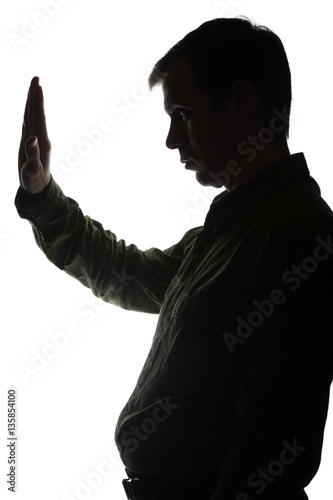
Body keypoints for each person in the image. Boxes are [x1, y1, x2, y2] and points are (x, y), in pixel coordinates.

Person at [15, 16, 333, 500]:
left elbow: (277, 445)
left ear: (241, 101)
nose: (171, 139)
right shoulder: (233, 225)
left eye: (182, 113)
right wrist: (41, 194)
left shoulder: (292, 232)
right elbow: (127, 275)